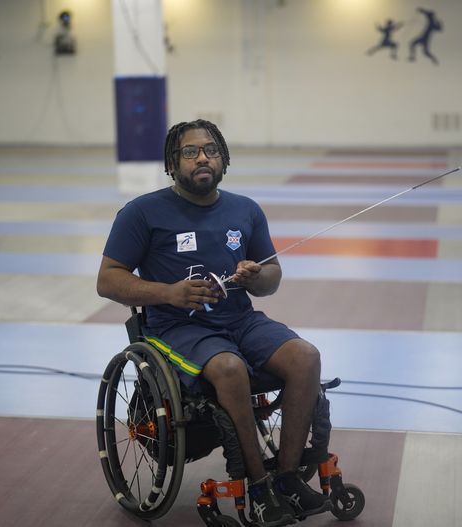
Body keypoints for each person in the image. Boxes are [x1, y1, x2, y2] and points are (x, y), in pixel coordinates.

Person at [97, 119, 331, 526]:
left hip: (241, 320)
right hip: (176, 329)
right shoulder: (142, 212)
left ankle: (288, 479)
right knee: (229, 368)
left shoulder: (246, 210)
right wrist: (169, 293)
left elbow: (272, 277)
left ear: (224, 159)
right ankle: (258, 486)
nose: (202, 158)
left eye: (211, 150)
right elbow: (108, 280)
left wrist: (257, 277)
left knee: (305, 357)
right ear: (173, 163)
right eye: (190, 152)